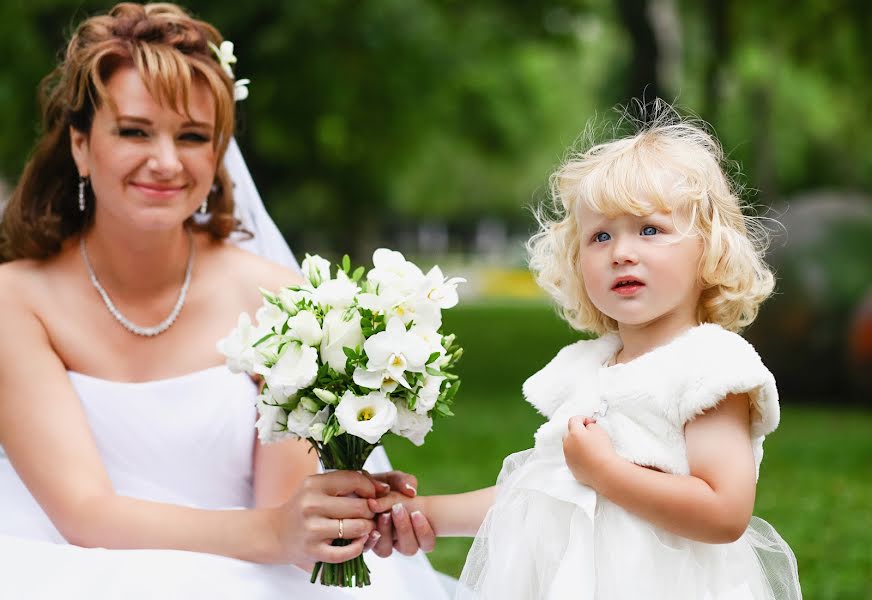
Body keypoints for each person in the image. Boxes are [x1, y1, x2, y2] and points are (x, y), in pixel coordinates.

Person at [0, 3, 445, 598]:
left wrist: (332, 512)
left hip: (250, 571)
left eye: (191, 137)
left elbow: (287, 511)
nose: (164, 161)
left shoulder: (277, 298)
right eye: (134, 131)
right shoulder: (16, 299)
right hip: (67, 560)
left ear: (216, 156)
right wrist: (273, 532)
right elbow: (83, 513)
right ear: (81, 145)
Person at [370, 104, 803, 599]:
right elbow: (544, 494)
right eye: (600, 236)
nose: (621, 251)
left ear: (709, 250)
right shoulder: (585, 368)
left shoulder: (709, 367)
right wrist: (427, 512)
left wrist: (607, 473)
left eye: (649, 230)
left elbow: (724, 512)